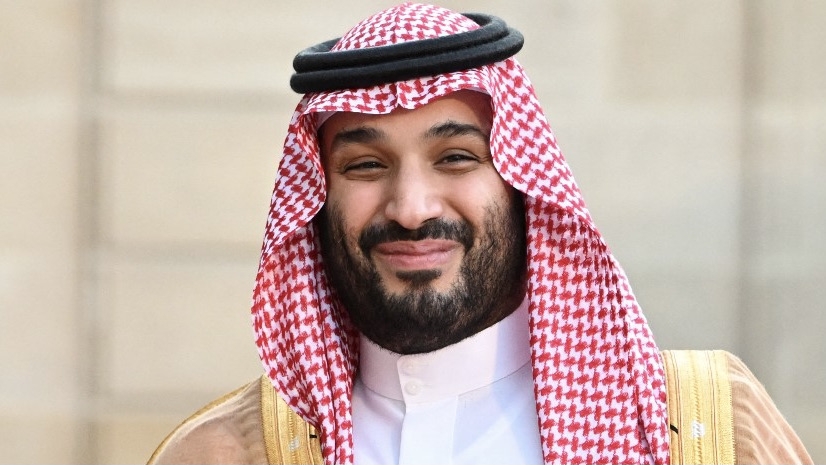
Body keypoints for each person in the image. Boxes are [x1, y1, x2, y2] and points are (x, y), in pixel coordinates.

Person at [148, 3, 812, 464]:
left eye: (457, 157)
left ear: (523, 184)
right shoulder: (226, 452)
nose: (410, 206)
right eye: (366, 165)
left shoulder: (707, 429)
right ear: (317, 198)